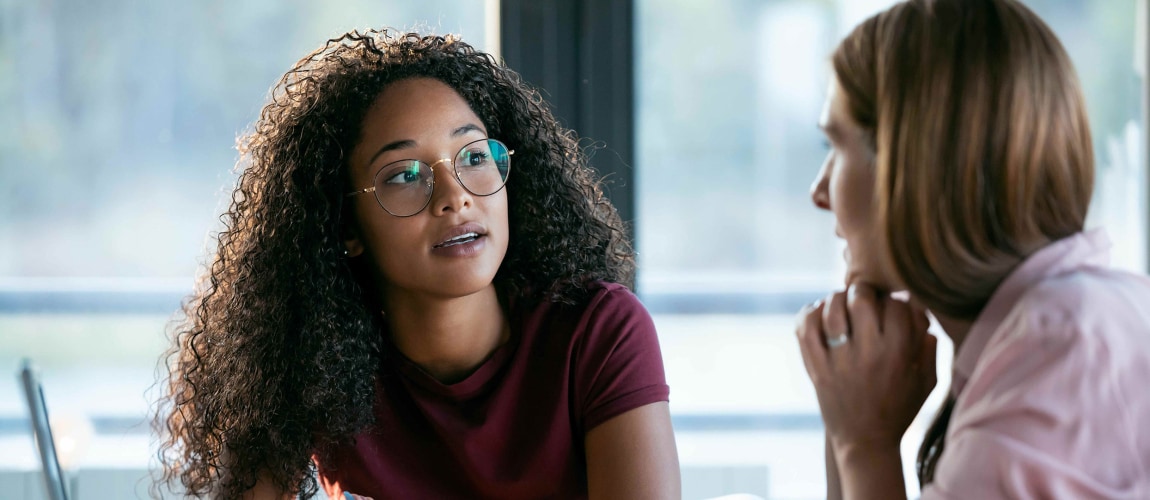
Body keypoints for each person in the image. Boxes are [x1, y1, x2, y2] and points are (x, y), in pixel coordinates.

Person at [155, 29, 680, 500]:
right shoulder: (307, 359)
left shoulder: (599, 332)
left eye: (474, 157)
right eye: (405, 174)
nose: (454, 197)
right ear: (346, 227)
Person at [796, 0, 1150, 498]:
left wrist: (864, 444)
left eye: (837, 146)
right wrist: (848, 420)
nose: (819, 191)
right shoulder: (1075, 326)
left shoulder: (1036, 396)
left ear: (915, 167)